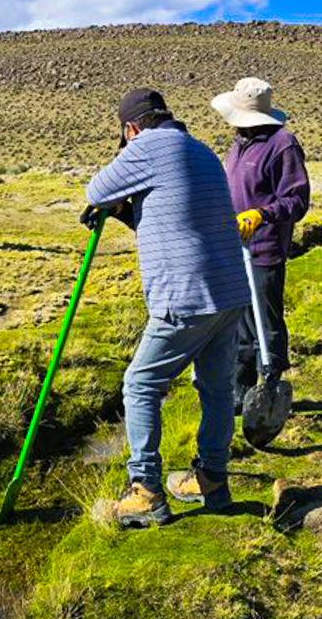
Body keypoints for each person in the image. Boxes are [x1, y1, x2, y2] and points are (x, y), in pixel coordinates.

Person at [82, 88, 250, 528]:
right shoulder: (201, 151)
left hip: (187, 295)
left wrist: (110, 200)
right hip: (229, 292)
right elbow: (170, 217)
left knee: (140, 383)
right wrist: (124, 211)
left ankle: (145, 492)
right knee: (216, 388)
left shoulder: (149, 147)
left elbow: (96, 188)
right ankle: (212, 481)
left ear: (130, 128)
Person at [210, 78, 310, 411]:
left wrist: (262, 214)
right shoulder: (239, 143)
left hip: (264, 249)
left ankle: (270, 391)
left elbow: (297, 200)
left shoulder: (283, 145)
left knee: (266, 323)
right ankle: (240, 393)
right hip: (233, 246)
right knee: (239, 323)